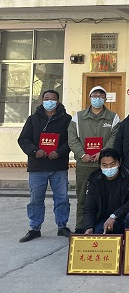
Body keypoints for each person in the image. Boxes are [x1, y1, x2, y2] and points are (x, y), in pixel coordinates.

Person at [18, 90, 72, 242]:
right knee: (36, 199)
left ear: (58, 101)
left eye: (53, 99)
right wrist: (35, 151)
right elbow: (23, 139)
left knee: (62, 198)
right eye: (47, 99)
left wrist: (59, 152)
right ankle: (35, 228)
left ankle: (62, 226)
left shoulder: (66, 119)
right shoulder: (33, 119)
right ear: (42, 101)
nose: (50, 101)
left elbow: (71, 140)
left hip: (58, 166)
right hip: (37, 166)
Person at [68, 85, 120, 233]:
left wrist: (102, 153)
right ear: (89, 98)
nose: (98, 99)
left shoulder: (113, 117)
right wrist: (82, 154)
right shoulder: (78, 117)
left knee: (108, 197)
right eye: (95, 96)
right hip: (84, 164)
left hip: (106, 165)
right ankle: (81, 226)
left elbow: (115, 137)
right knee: (83, 197)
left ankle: (107, 226)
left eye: (101, 96)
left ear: (105, 99)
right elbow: (72, 138)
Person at [83, 148, 129, 234]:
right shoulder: (95, 180)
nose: (109, 168)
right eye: (104, 165)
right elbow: (89, 208)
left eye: (112, 164)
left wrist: (114, 216)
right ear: (100, 165)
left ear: (119, 162)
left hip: (123, 217)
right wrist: (88, 227)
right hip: (104, 220)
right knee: (97, 235)